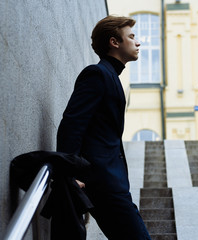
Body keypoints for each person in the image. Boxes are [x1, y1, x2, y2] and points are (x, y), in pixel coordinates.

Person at [56, 15, 151, 239]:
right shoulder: (97, 74)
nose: (137, 42)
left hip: (112, 183)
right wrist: (70, 174)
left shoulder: (111, 76)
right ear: (114, 42)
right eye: (131, 37)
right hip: (102, 182)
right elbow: (72, 123)